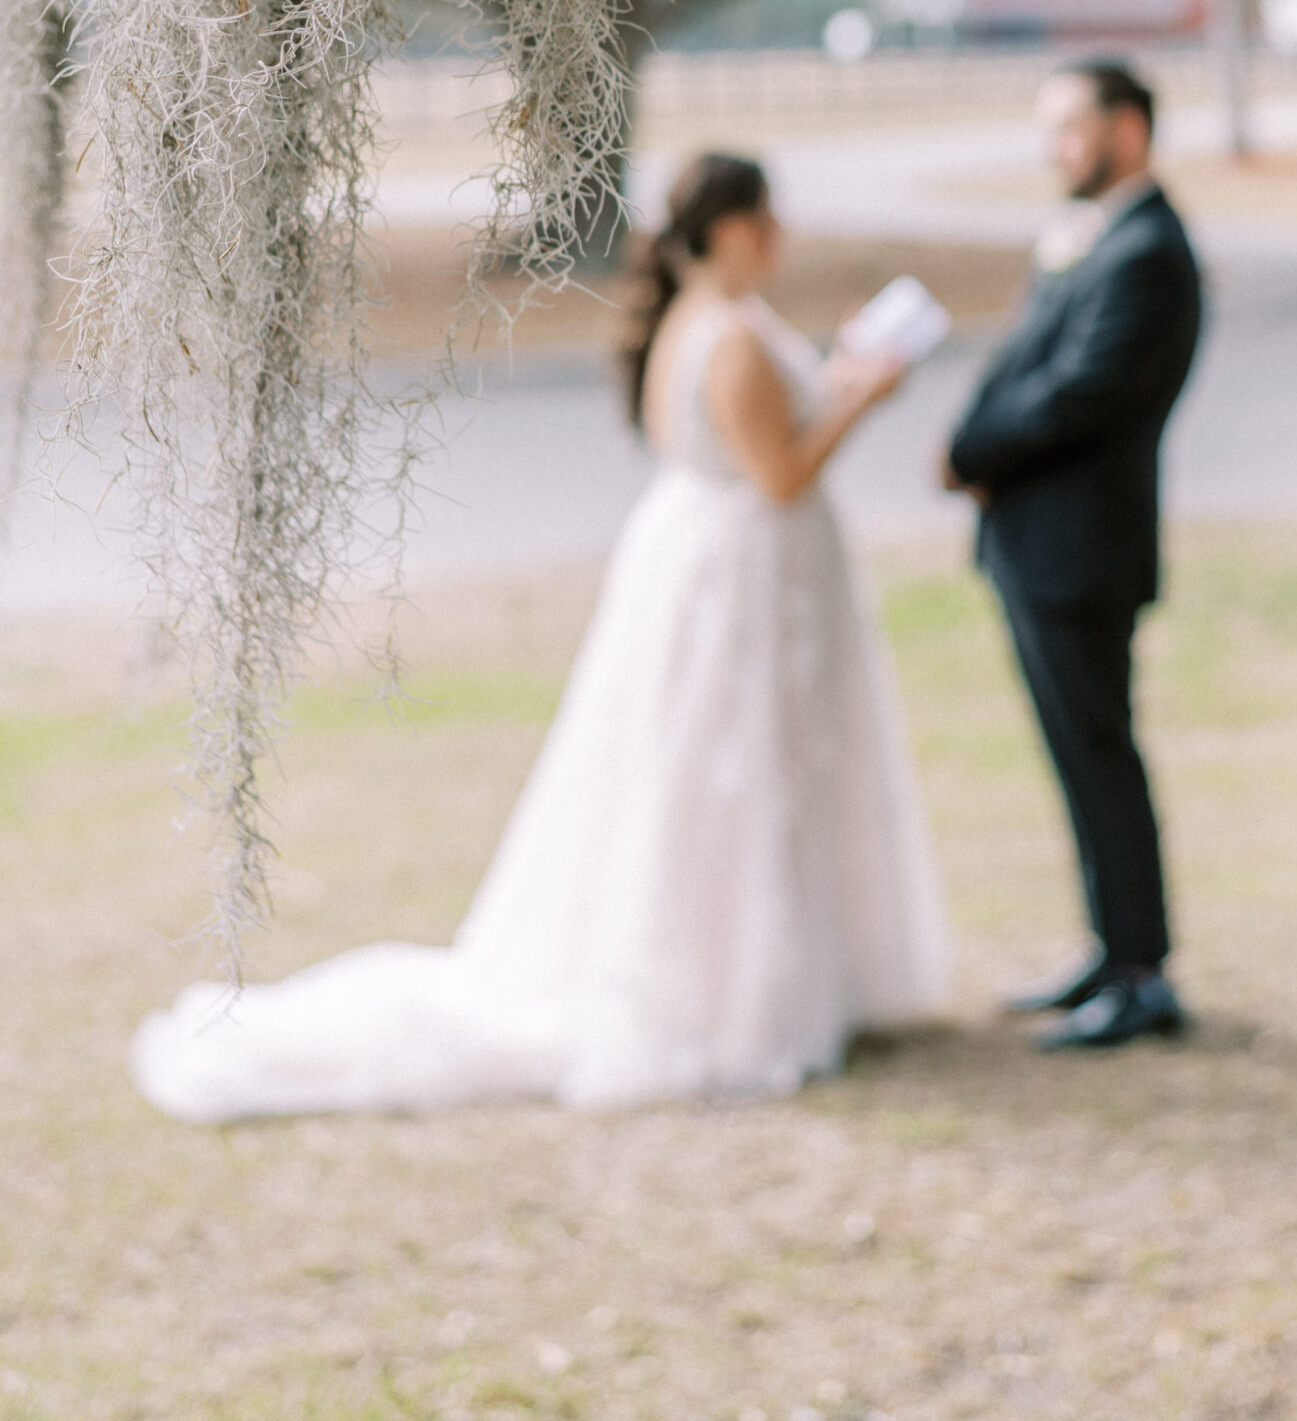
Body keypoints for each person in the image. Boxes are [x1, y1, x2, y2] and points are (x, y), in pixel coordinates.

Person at [132, 153, 952, 1120]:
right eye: (766, 219)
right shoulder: (725, 336)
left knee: (743, 767)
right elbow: (779, 474)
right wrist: (863, 394)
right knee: (728, 769)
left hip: (718, 563)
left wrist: (840, 374)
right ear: (727, 228)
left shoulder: (716, 321)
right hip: (737, 576)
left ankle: (787, 977)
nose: (781, 237)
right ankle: (730, 997)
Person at [944, 61, 1201, 1052]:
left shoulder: (1145, 253)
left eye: (1068, 128)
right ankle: (1109, 947)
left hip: (1078, 550)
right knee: (1078, 758)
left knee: (1101, 758)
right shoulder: (1091, 238)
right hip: (1036, 544)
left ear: (1126, 129)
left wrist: (968, 451)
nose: (1053, 148)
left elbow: (1080, 393)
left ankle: (1141, 973)